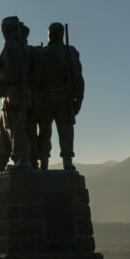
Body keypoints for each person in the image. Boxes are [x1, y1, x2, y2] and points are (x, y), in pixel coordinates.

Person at [34, 22, 85, 170]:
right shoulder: (69, 52)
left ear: (49, 34)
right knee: (64, 131)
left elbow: (36, 81)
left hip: (46, 98)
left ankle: (44, 161)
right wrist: (79, 99)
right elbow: (78, 78)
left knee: (45, 131)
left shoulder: (41, 53)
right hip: (62, 97)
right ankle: (67, 160)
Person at [0, 16, 33, 174]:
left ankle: (23, 159)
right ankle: (2, 161)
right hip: (11, 96)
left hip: (14, 95)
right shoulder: (19, 47)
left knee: (15, 128)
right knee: (4, 129)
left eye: (4, 30)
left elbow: (10, 75)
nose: (3, 33)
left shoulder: (11, 48)